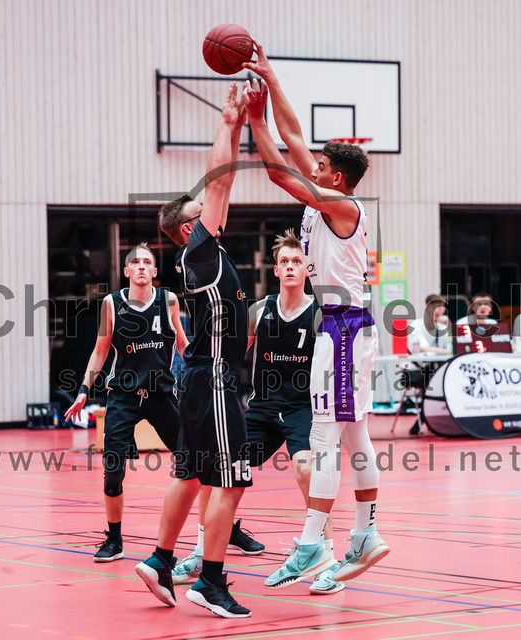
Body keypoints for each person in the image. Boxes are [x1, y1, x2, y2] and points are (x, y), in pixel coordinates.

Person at [241, 45, 389, 588]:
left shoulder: (341, 205)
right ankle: (364, 534)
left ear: (338, 179)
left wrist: (255, 122)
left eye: (323, 167)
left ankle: (310, 545)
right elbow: (296, 136)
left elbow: (280, 174)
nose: (313, 165)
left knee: (325, 436)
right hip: (345, 327)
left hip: (343, 329)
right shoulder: (330, 193)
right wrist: (272, 80)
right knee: (354, 436)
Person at [134, 83, 253, 618]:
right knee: (231, 482)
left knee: (187, 474)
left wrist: (237, 125)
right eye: (201, 209)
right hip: (214, 380)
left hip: (199, 382)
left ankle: (160, 560)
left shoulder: (207, 253)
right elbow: (220, 180)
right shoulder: (200, 252)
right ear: (189, 226)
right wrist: (227, 122)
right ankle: (210, 581)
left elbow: (221, 187)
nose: (212, 207)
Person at [171, 229, 344, 596]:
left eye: (297, 261)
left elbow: (333, 368)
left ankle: (327, 559)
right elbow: (232, 356)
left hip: (302, 409)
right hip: (262, 407)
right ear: (276, 270)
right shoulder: (259, 310)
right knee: (217, 472)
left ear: (307, 269)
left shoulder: (319, 314)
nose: (291, 266)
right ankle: (202, 553)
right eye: (284, 262)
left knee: (307, 469)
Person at [64, 243, 188, 562]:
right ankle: (115, 540)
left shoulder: (168, 301)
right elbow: (100, 350)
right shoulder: (112, 303)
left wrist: (207, 372)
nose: (142, 266)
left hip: (161, 394)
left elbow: (182, 345)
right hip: (123, 394)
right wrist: (83, 389)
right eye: (137, 262)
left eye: (148, 262)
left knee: (196, 460)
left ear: (155, 271)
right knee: (112, 472)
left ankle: (226, 527)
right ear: (127, 270)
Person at [404, 294, 450, 435]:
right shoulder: (416, 326)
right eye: (434, 306)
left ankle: (427, 419)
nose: (438, 309)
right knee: (433, 382)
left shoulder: (443, 328)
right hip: (415, 371)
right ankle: (425, 419)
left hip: (436, 370)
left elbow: (451, 348)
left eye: (441, 306)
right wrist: (444, 352)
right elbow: (423, 348)